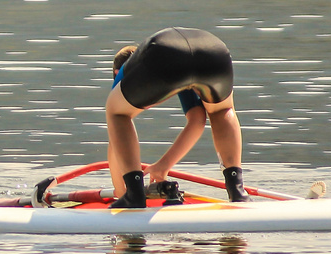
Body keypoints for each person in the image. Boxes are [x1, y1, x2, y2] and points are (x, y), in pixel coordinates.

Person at [105, 27, 249, 208]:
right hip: (214, 50)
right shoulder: (175, 70)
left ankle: (134, 196)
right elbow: (197, 119)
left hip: (165, 53)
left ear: (117, 71)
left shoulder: (126, 72)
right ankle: (237, 191)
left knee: (116, 112)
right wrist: (163, 165)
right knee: (221, 110)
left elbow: (115, 140)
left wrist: (121, 191)